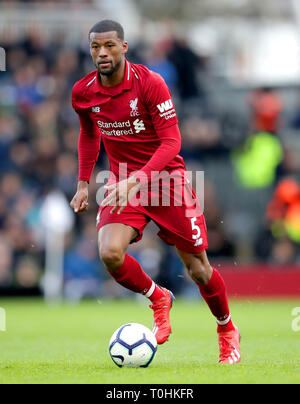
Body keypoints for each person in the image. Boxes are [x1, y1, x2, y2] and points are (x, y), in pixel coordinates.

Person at [70, 20, 241, 364]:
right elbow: (90, 135)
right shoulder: (83, 91)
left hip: (166, 181)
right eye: (95, 47)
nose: (102, 53)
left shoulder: (150, 83)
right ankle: (158, 297)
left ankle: (226, 329)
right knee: (110, 253)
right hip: (122, 182)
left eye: (109, 46)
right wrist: (83, 182)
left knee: (197, 269)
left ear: (124, 47)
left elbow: (172, 141)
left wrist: (137, 179)